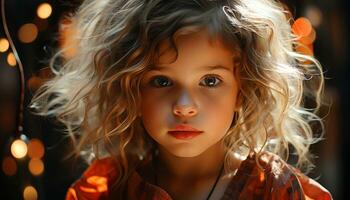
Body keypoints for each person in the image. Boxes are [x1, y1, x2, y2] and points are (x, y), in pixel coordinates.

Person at [30, 0, 333, 199]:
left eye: (210, 81)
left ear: (243, 88)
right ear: (130, 89)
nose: (184, 105)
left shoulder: (275, 192)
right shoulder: (104, 191)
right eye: (161, 81)